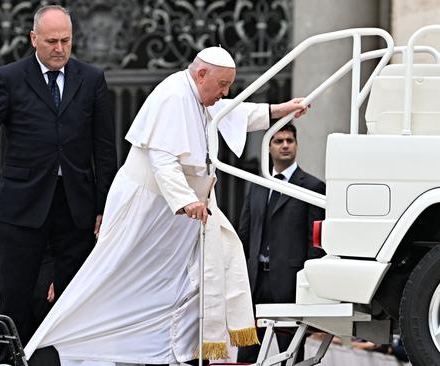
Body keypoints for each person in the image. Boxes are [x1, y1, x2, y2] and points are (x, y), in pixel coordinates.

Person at [23, 46, 309, 365]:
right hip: (148, 209)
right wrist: (186, 200)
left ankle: (182, 352)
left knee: (203, 274)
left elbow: (232, 112)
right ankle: (57, 351)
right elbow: (163, 160)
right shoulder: (173, 96)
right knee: (116, 283)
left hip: (180, 212)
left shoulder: (199, 97)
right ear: (201, 75)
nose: (226, 92)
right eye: (222, 84)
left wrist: (280, 109)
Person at [0, 4, 117, 344]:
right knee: (12, 300)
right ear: (34, 38)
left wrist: (103, 206)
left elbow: (104, 150)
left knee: (74, 301)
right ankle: (6, 357)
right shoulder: (10, 78)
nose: (59, 48)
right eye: (51, 41)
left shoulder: (92, 79)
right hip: (22, 207)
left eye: (66, 40)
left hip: (76, 209)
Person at [236, 123, 325, 364]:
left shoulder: (312, 186)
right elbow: (245, 235)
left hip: (290, 286)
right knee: (246, 354)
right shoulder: (257, 185)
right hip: (256, 285)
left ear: (296, 144)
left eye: (290, 140)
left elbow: (315, 244)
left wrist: (309, 286)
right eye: (278, 141)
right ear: (268, 147)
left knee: (291, 354)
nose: (285, 145)